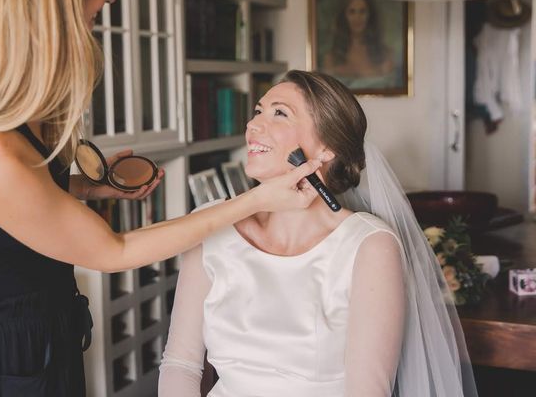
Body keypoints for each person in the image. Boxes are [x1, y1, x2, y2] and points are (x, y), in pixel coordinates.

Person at [0, 0, 321, 396]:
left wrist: (85, 187)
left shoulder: (14, 103)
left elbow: (5, 212)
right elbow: (114, 251)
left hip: (45, 330)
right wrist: (253, 200)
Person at [159, 70, 479, 397]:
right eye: (257, 111)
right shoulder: (211, 225)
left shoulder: (369, 247)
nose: (252, 126)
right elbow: (180, 364)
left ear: (326, 148)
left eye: (279, 113)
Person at [323, 0, 394, 84]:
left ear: (370, 16)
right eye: (352, 12)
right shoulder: (330, 58)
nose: (357, 18)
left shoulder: (385, 55)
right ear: (344, 16)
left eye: (362, 11)